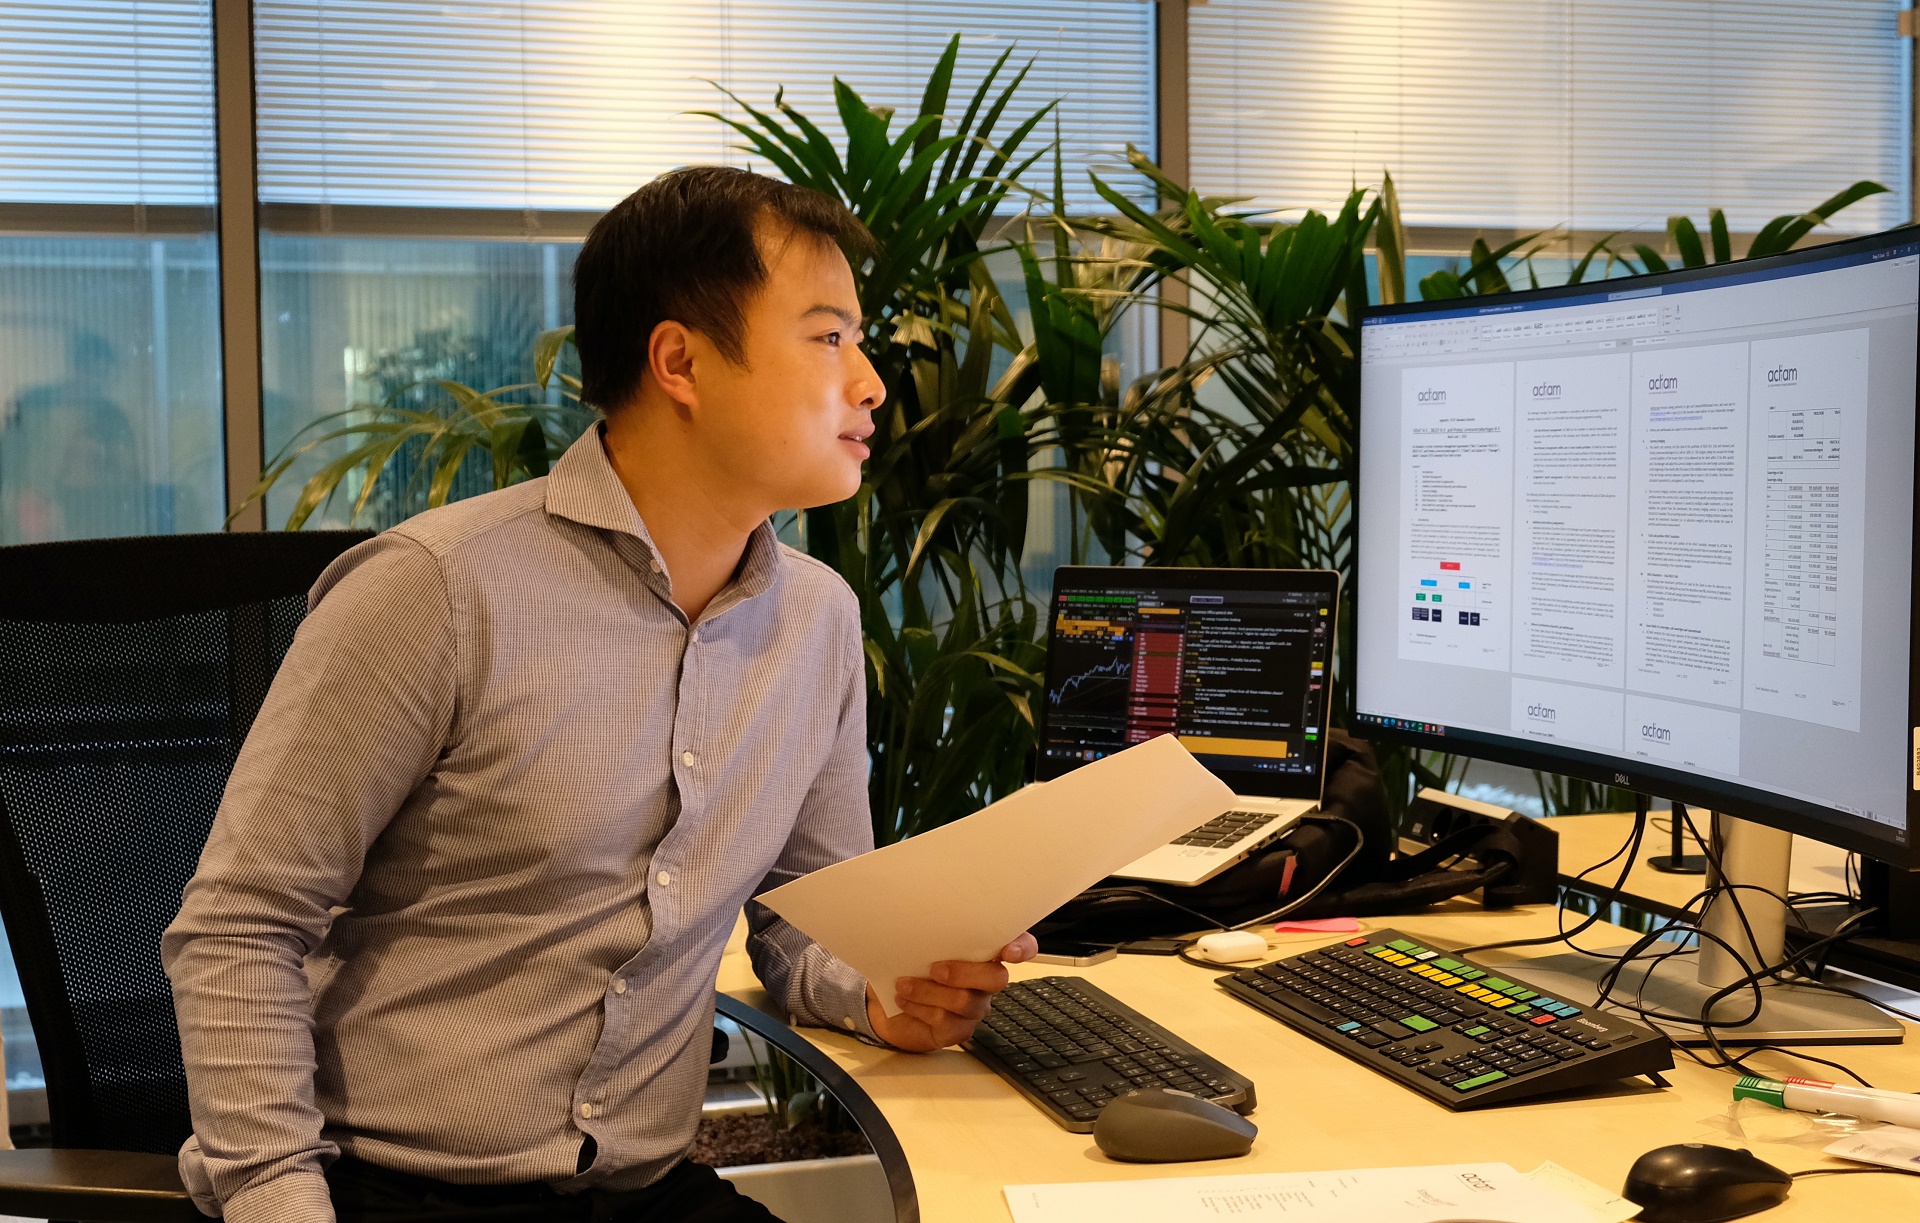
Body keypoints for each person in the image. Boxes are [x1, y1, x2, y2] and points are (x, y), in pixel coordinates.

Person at [163, 166, 1037, 1223]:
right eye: (827, 337)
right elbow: (240, 922)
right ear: (681, 361)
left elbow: (804, 929)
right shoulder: (435, 590)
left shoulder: (817, 622)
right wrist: (276, 1202)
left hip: (641, 1185)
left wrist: (886, 993)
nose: (871, 384)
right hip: (389, 1187)